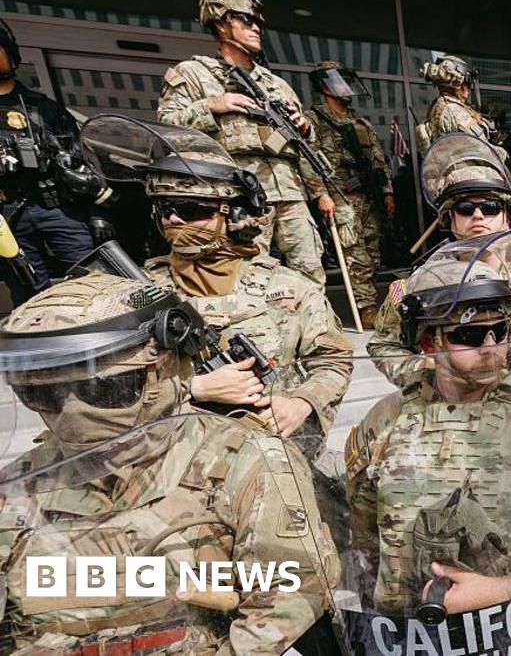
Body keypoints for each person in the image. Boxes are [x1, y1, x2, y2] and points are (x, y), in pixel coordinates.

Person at [0, 271, 339, 654]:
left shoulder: (244, 462)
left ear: (168, 367)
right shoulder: (21, 487)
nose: (72, 413)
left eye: (105, 389)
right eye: (40, 395)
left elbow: (291, 593)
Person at [344, 256, 511, 615]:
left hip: (509, 628)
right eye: (470, 334)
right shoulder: (385, 421)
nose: (491, 347)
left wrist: (507, 588)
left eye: (500, 331)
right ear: (430, 343)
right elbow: (363, 533)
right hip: (409, 634)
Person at [79, 116, 354, 458]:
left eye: (191, 210)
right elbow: (97, 390)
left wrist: (301, 402)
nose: (172, 220)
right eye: (164, 209)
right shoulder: (135, 293)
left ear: (234, 216)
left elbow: (334, 359)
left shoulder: (288, 288)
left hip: (274, 458)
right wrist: (193, 388)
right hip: (175, 461)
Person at [369, 132, 511, 387]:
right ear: (452, 219)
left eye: (491, 208)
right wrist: (426, 372)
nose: (478, 216)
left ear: (507, 218)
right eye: (466, 209)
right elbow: (383, 345)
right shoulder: (422, 286)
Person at [158, 0, 332, 284]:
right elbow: (167, 128)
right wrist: (212, 105)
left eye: (258, 23)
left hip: (289, 191)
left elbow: (304, 147)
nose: (255, 28)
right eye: (245, 20)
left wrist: (319, 189)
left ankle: (315, 328)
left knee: (311, 272)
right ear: (220, 22)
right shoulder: (195, 74)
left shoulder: (275, 84)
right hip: (240, 195)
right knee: (248, 276)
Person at [0, 18, 113, 304]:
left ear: (10, 54)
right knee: (29, 297)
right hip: (8, 218)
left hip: (58, 207)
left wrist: (97, 215)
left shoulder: (42, 108)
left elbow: (83, 162)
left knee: (94, 282)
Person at [305, 60, 394, 324]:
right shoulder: (315, 120)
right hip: (340, 196)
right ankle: (365, 309)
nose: (346, 87)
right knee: (355, 254)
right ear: (325, 86)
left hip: (368, 196)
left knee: (373, 253)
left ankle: (371, 301)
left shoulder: (360, 122)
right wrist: (320, 193)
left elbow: (379, 160)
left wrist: (387, 192)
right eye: (339, 81)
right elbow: (307, 160)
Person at [417, 54, 495, 154]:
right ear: (460, 85)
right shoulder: (453, 110)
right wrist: (503, 153)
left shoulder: (438, 106)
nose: (468, 89)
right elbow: (482, 148)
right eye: (467, 84)